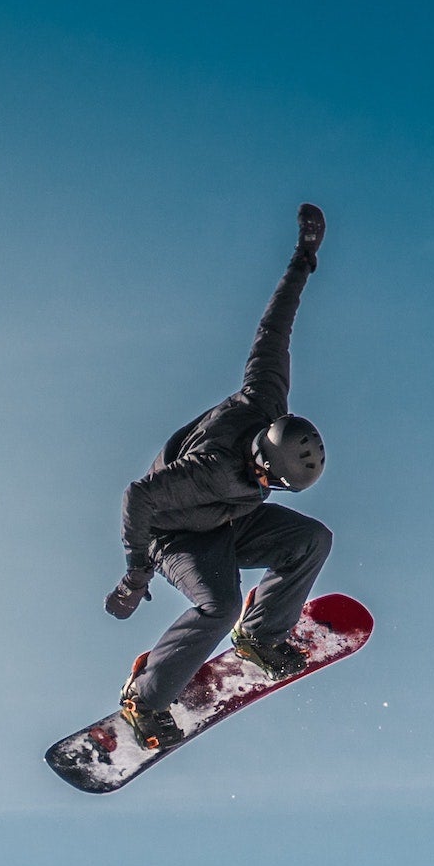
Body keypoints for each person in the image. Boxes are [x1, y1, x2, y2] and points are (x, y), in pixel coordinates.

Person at [106, 202, 332, 748]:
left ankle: (261, 637)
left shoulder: (264, 397)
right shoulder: (207, 471)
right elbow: (138, 497)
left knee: (310, 539)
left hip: (229, 522)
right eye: (268, 483)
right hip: (178, 537)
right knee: (219, 602)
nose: (268, 489)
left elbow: (273, 330)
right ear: (260, 465)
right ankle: (145, 699)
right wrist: (136, 573)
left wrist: (303, 260)